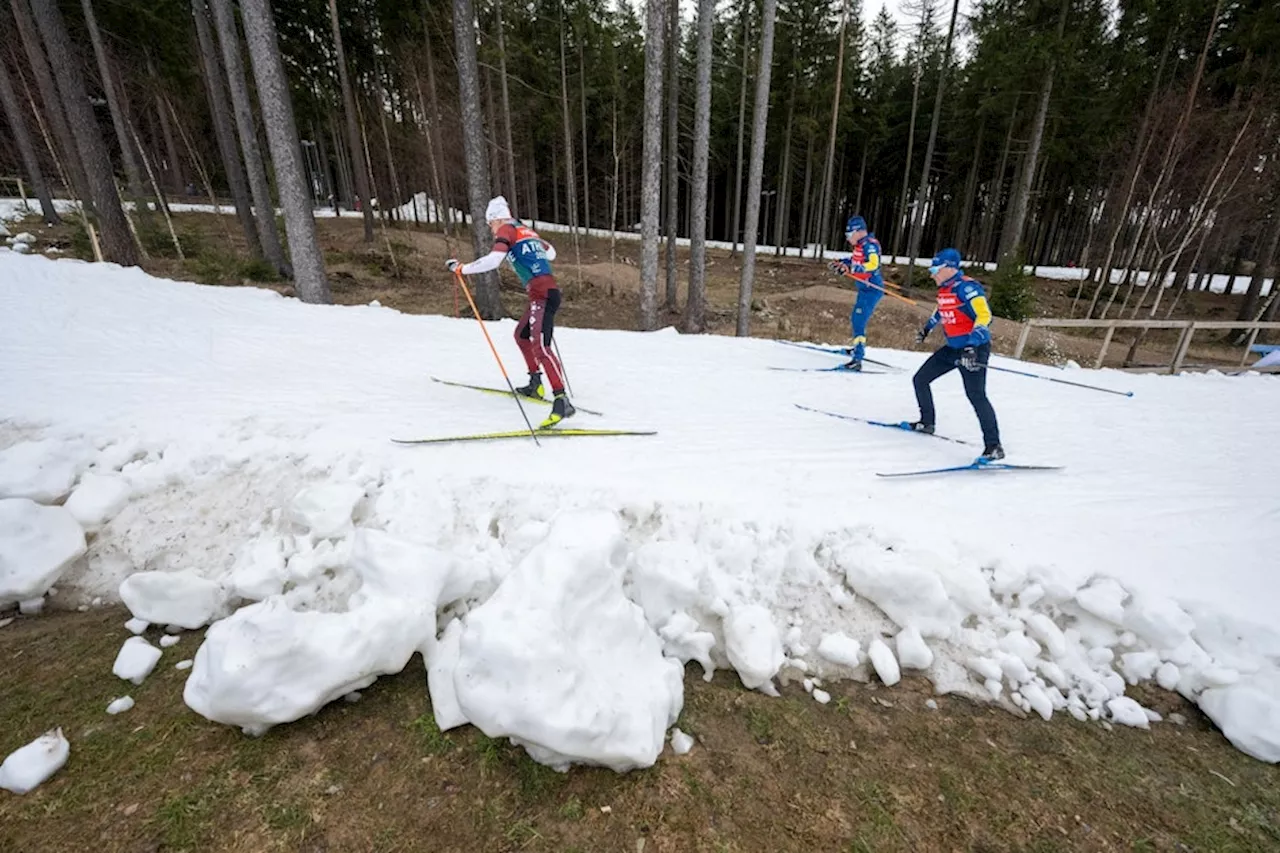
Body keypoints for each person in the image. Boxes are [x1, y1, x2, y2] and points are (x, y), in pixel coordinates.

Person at [447, 196, 574, 427]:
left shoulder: (506, 229)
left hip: (542, 294)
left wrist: (463, 269)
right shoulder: (524, 230)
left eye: (490, 224)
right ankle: (535, 383)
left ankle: (561, 399)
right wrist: (536, 245)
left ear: (496, 219)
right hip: (543, 293)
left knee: (542, 347)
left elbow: (495, 260)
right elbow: (552, 252)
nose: (492, 230)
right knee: (521, 335)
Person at [910, 248, 1004, 461]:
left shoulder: (967, 288)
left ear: (950, 268)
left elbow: (985, 315)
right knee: (920, 379)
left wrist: (971, 346)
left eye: (935, 269)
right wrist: (927, 329)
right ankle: (927, 422)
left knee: (976, 395)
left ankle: (994, 446)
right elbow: (941, 310)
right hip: (953, 348)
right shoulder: (945, 289)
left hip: (974, 348)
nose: (932, 274)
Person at [828, 215, 884, 371]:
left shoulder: (870, 245)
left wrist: (851, 269)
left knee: (858, 320)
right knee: (856, 319)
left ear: (859, 232)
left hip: (872, 290)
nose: (847, 239)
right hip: (864, 288)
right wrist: (841, 263)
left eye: (849, 235)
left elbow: (873, 264)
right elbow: (854, 260)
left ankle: (857, 359)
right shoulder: (860, 246)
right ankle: (856, 349)